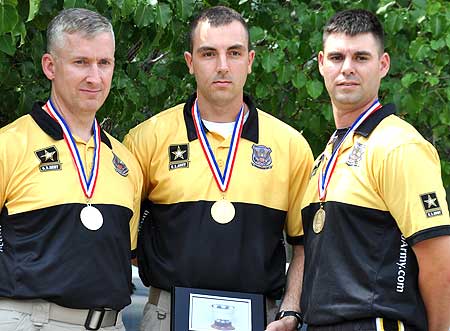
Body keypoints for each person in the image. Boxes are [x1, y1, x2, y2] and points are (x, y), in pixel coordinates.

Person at [123, 5, 314, 331]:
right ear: (190, 62)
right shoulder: (146, 138)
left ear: (250, 62)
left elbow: (304, 244)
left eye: (234, 53)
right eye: (209, 53)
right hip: (168, 314)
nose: (223, 66)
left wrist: (291, 311)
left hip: (260, 317)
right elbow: (120, 237)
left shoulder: (290, 145)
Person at [268, 8, 450, 331]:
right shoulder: (324, 158)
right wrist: (293, 313)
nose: (347, 69)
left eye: (361, 58)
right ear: (322, 64)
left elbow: (439, 260)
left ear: (383, 65)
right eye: (337, 57)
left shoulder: (400, 147)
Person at [0, 8, 142, 331]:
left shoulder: (125, 162)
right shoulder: (9, 145)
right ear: (50, 66)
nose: (95, 77)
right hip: (31, 321)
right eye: (81, 62)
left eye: (104, 63)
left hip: (111, 325)